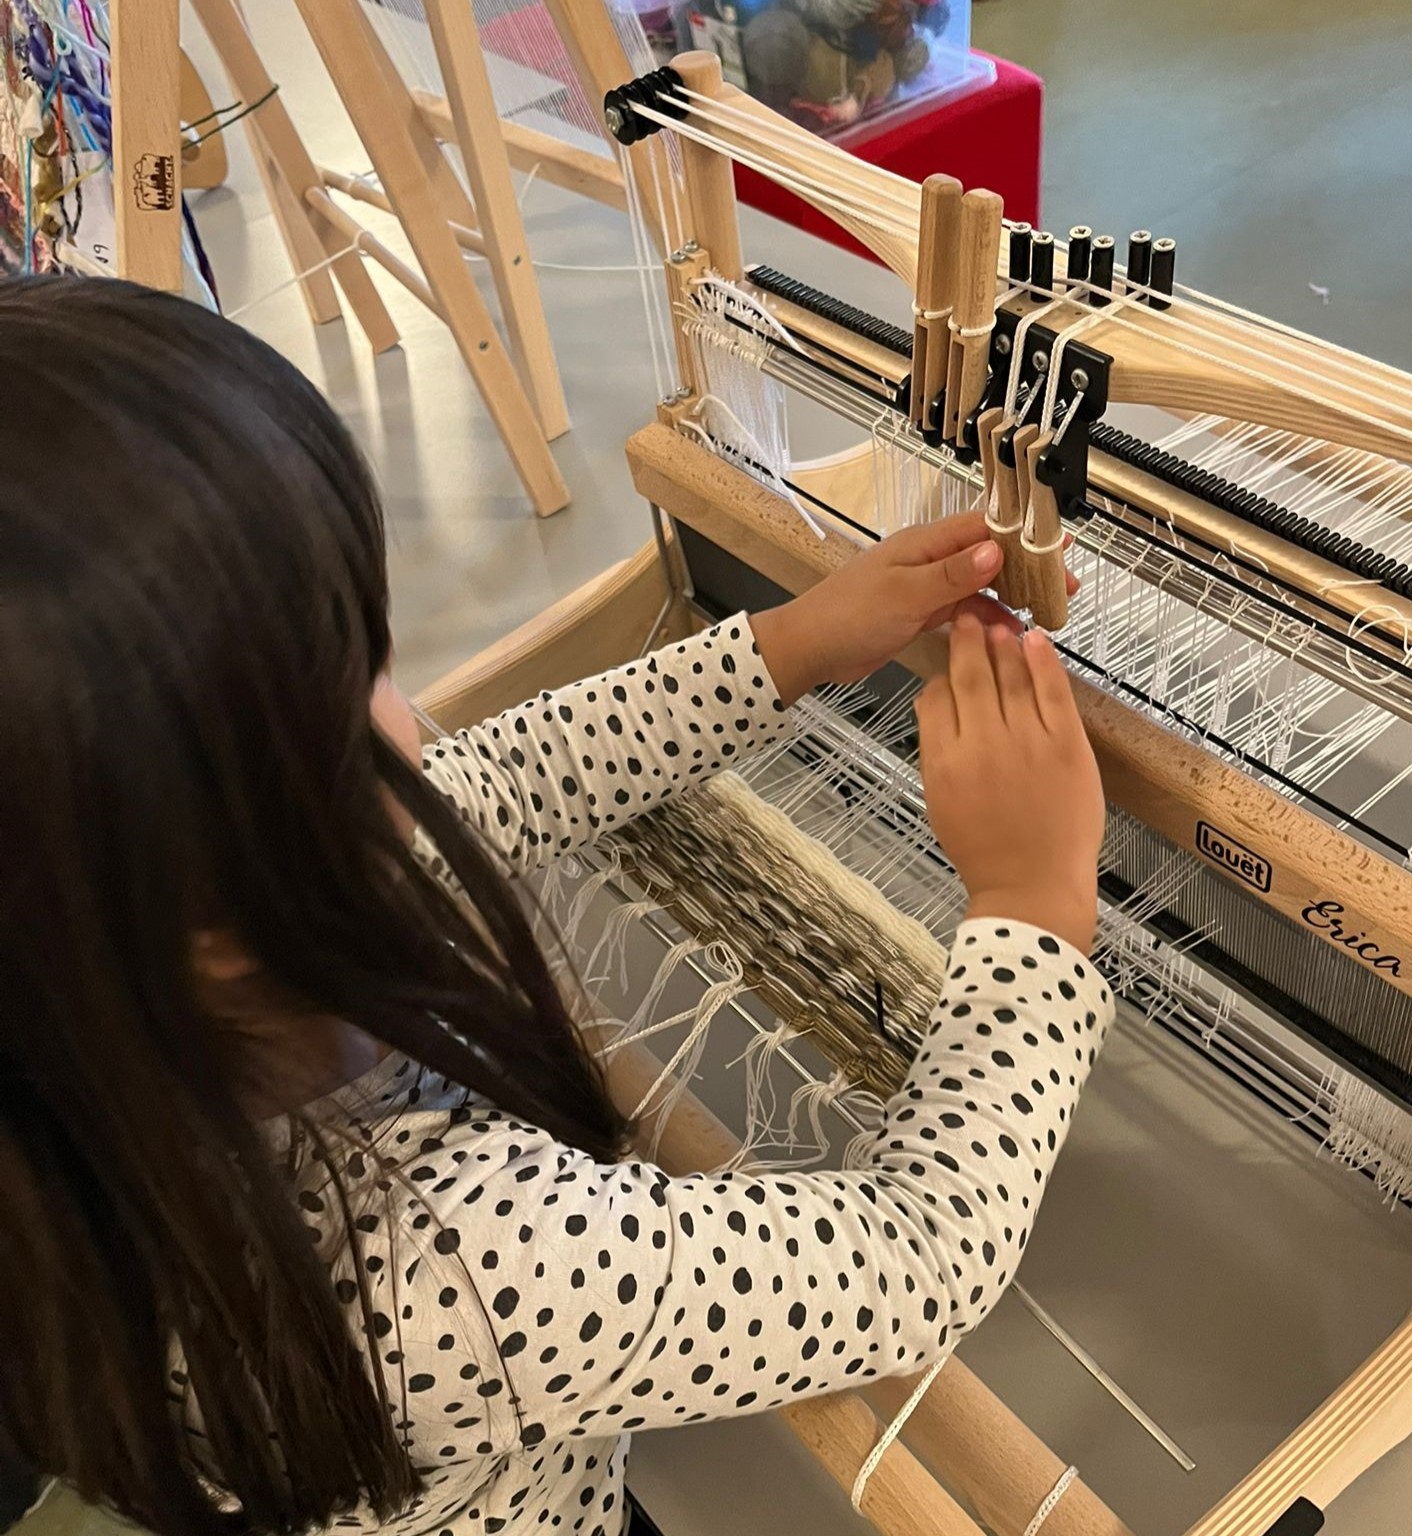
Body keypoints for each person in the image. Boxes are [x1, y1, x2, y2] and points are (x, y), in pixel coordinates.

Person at [0, 276, 1108, 1536]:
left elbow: (507, 779)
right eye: (356, 680)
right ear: (210, 924)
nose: (410, 715)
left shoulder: (105, 1016)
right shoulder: (449, 1271)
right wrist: (1032, 905)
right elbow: (917, 1257)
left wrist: (796, 644)